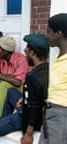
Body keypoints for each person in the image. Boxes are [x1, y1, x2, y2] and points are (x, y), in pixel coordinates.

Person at [0, 34, 49, 144]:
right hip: (29, 106)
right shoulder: (48, 70)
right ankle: (2, 121)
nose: (25, 53)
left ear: (32, 53)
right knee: (10, 91)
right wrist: (24, 98)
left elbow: (34, 106)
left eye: (26, 51)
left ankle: (2, 123)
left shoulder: (32, 76)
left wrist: (28, 133)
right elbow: (39, 97)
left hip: (24, 117)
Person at [39, 13, 67, 144]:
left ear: (58, 34)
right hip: (50, 112)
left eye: (49, 32)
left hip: (61, 115)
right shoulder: (58, 57)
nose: (47, 36)